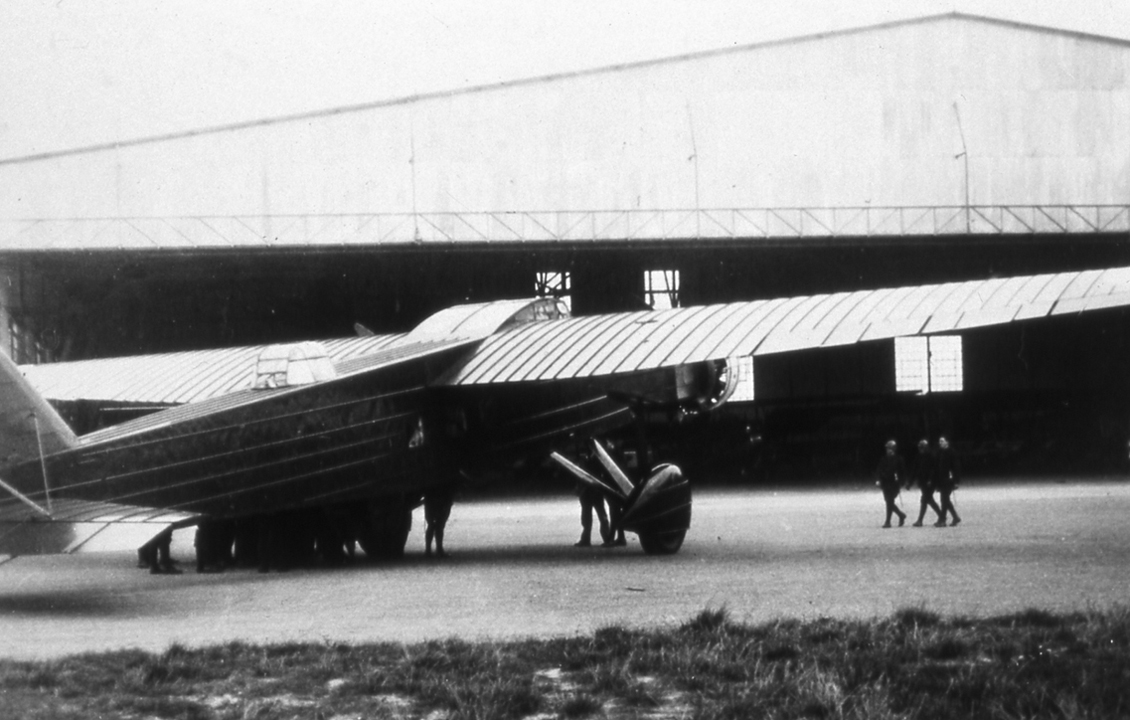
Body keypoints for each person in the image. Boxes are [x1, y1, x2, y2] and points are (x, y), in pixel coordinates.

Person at [909, 438, 943, 527]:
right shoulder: (918, 457)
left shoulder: (931, 456)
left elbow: (934, 470)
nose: (921, 450)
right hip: (922, 482)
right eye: (920, 448)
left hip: (931, 482)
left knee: (927, 499)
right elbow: (914, 470)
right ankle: (921, 520)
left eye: (922, 448)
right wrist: (910, 482)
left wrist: (931, 480)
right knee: (926, 499)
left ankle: (940, 516)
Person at [874, 439, 907, 528]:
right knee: (889, 502)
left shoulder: (899, 459)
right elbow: (878, 470)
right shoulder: (883, 459)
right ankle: (901, 515)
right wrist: (878, 479)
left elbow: (902, 472)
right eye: (887, 448)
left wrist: (901, 482)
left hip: (894, 484)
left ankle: (888, 521)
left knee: (889, 501)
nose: (888, 450)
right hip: (885, 484)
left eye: (890, 448)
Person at [934, 435, 962, 527]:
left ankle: (942, 519)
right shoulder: (939, 452)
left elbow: (956, 468)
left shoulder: (951, 452)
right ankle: (955, 517)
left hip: (949, 480)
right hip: (941, 480)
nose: (940, 443)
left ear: (947, 442)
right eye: (940, 441)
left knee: (944, 500)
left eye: (942, 441)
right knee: (945, 500)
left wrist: (956, 481)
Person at [424, 482, 457, 558]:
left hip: (431, 496)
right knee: (439, 524)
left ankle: (428, 550)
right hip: (442, 496)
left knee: (432, 524)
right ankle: (438, 549)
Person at [575, 482, 610, 547]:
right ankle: (607, 537)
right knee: (601, 513)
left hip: (587, 487)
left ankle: (586, 538)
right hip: (596, 487)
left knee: (587, 513)